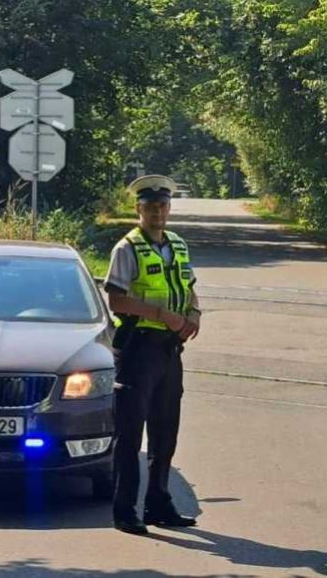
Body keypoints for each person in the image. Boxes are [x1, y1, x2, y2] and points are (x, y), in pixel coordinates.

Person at [104, 174, 202, 535]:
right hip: (138, 348)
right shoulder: (126, 248)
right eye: (150, 207)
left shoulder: (177, 243)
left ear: (169, 208)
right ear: (138, 210)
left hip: (169, 349)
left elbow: (189, 287)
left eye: (163, 206)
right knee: (130, 435)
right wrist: (162, 315)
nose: (158, 212)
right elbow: (115, 298)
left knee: (165, 430)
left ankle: (158, 504)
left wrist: (194, 314)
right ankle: (125, 510)